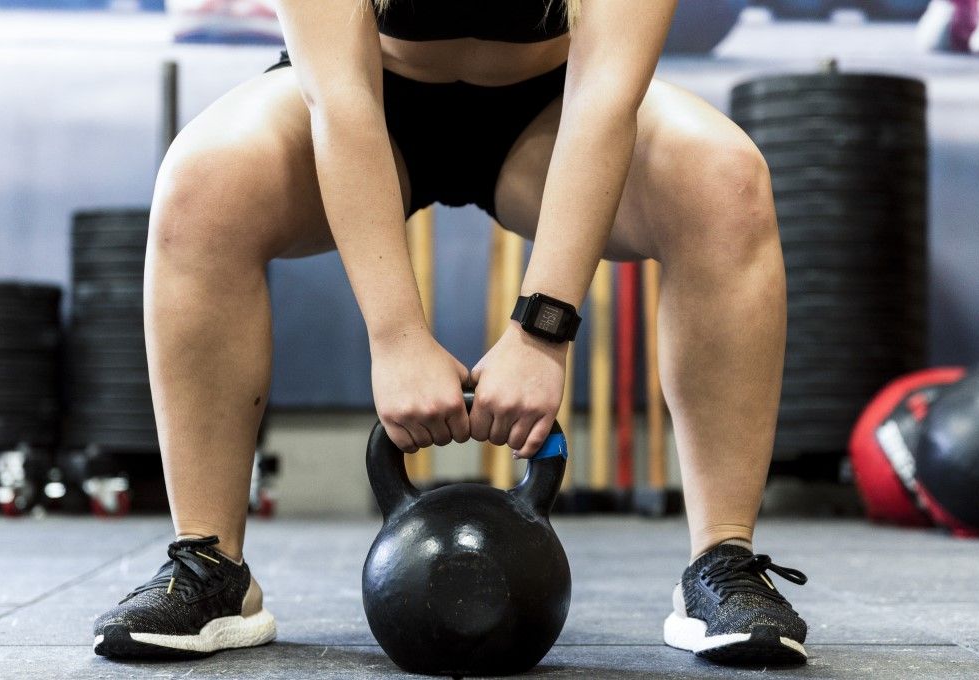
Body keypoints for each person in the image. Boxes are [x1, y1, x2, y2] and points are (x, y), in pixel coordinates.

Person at [91, 0, 811, 666]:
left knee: (727, 183)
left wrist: (542, 333)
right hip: (369, 96)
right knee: (201, 185)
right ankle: (210, 564)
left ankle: (723, 563)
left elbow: (605, 97)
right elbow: (339, 103)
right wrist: (396, 337)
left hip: (557, 107)